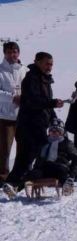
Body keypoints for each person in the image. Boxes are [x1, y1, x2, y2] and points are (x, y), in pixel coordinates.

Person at [4, 52, 63, 195]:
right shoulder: (32, 79)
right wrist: (53, 103)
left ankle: (14, 184)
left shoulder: (45, 79)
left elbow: (45, 104)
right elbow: (32, 101)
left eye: (51, 64)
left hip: (39, 124)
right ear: (37, 62)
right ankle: (16, 183)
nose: (49, 67)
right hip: (29, 125)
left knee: (28, 156)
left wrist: (53, 117)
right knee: (30, 155)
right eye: (46, 64)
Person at [21, 118, 77, 196]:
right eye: (51, 131)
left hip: (59, 167)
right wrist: (34, 167)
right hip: (44, 168)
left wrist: (72, 174)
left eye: (56, 131)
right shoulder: (44, 143)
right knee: (32, 174)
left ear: (61, 133)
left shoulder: (66, 143)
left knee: (62, 173)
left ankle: (67, 185)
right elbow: (38, 157)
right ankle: (15, 188)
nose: (53, 133)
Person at [0, 41, 26, 180]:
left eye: (15, 51)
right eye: (9, 52)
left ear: (18, 53)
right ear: (4, 53)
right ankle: (3, 177)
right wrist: (12, 98)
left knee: (23, 149)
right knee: (5, 150)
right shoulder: (0, 70)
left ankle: (18, 176)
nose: (12, 54)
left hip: (23, 116)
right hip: (5, 116)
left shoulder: (24, 70)